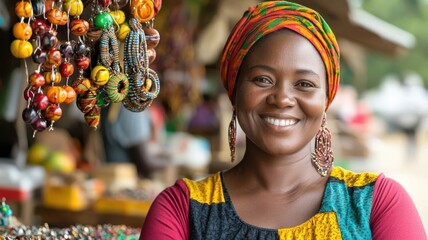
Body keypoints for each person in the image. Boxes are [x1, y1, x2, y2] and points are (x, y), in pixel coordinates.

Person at [140, 1, 427, 239]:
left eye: (304, 84)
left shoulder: (375, 203)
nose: (282, 98)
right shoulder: (182, 210)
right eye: (263, 79)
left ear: (326, 101)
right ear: (234, 92)